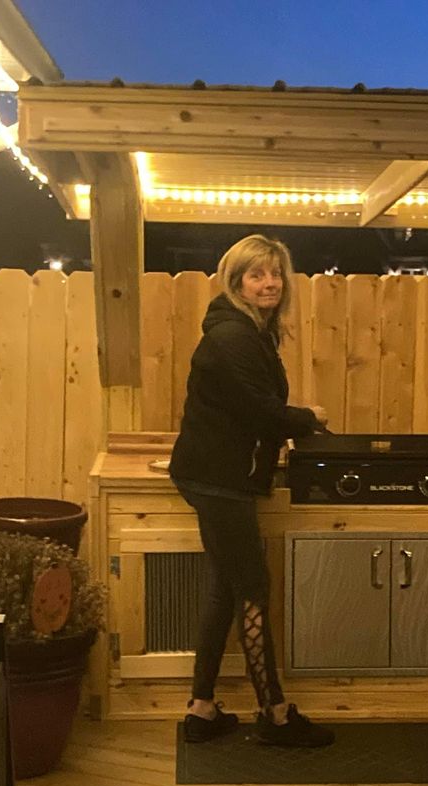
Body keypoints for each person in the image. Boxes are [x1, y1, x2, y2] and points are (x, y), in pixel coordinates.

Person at [169, 234, 334, 748]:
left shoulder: (248, 330)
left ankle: (201, 709)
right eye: (256, 275)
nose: (269, 283)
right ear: (236, 281)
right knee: (253, 589)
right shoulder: (233, 336)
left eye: (275, 274)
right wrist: (311, 419)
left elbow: (253, 405)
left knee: (225, 586)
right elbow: (258, 409)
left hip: (218, 475)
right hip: (220, 480)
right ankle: (275, 713)